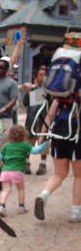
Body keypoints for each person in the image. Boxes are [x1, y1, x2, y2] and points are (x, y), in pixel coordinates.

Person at [34, 94, 81, 222]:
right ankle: (75, 212)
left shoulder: (61, 93)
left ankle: (43, 195)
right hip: (77, 135)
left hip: (58, 133)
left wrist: (41, 136)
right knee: (79, 175)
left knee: (59, 174)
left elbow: (49, 116)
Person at [0, 125, 48, 217]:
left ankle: (1, 206)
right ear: (24, 135)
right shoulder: (24, 145)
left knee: (6, 190)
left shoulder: (6, 145)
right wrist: (44, 144)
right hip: (17, 171)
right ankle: (21, 207)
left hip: (6, 171)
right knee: (20, 189)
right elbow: (35, 151)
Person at [19, 68, 49, 175]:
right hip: (31, 118)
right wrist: (30, 91)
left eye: (45, 74)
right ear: (36, 77)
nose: (43, 76)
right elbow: (25, 103)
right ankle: (26, 163)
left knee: (43, 140)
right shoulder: (34, 89)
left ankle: (43, 164)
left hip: (44, 119)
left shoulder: (48, 89)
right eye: (41, 74)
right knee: (28, 140)